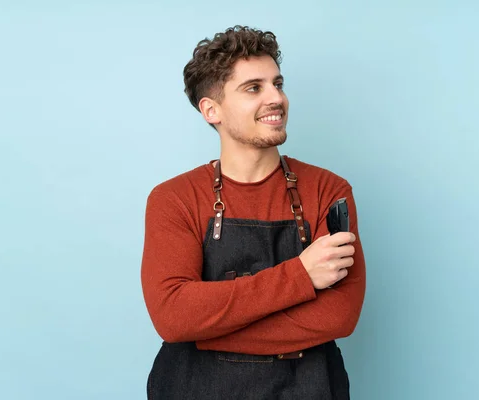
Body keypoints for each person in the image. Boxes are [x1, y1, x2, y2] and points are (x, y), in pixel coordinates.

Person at [140, 25, 366, 399]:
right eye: (253, 88)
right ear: (211, 110)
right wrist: (301, 274)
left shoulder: (328, 190)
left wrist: (208, 331)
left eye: (278, 83)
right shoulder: (174, 198)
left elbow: (338, 315)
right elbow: (173, 316)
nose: (276, 98)